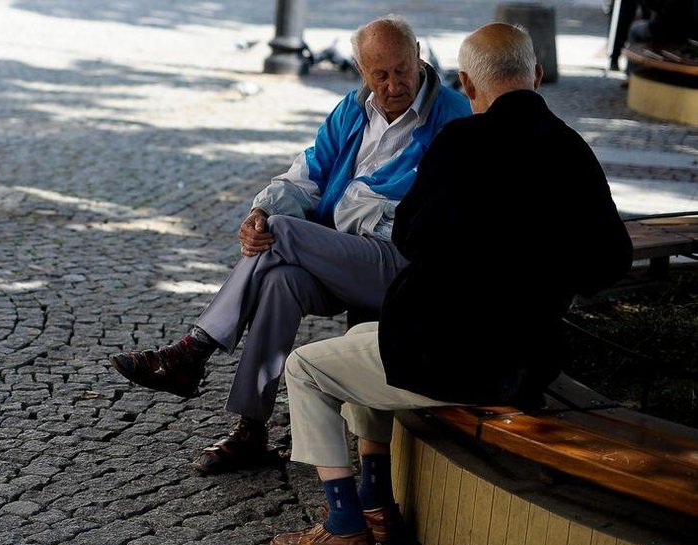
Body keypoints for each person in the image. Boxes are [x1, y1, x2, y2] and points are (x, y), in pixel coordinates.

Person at [269, 23, 633, 545]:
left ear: (466, 82)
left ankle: (343, 527)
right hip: (528, 362)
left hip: (447, 359)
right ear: (535, 75)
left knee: (306, 368)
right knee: (366, 337)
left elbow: (412, 237)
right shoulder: (572, 149)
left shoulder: (460, 142)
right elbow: (610, 261)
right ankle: (375, 503)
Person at [109, 16, 471, 474]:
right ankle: (251, 431)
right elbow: (308, 173)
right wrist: (260, 212)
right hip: (341, 256)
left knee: (282, 232)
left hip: (403, 266)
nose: (394, 84)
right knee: (280, 279)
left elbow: (421, 213)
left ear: (418, 52)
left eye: (402, 69)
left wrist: (294, 223)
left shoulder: (453, 118)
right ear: (361, 70)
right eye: (380, 74)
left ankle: (193, 350)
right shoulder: (353, 108)